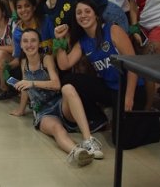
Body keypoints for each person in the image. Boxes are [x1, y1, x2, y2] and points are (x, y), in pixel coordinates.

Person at [54, 0, 160, 149]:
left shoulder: (112, 30)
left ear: (96, 15)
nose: (83, 15)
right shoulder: (83, 41)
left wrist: (129, 97)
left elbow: (133, 66)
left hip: (130, 87)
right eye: (79, 13)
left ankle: (152, 123)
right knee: (69, 80)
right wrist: (59, 41)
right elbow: (64, 64)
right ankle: (99, 119)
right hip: (110, 88)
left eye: (87, 11)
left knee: (121, 142)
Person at [9, 29, 103, 167]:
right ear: (21, 45)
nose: (29, 44)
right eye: (25, 41)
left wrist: (32, 82)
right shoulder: (23, 62)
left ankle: (88, 140)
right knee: (57, 129)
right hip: (44, 112)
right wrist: (21, 109)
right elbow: (25, 88)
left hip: (59, 104)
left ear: (39, 44)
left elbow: (56, 84)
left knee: (68, 88)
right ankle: (77, 152)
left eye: (33, 40)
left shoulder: (46, 59)